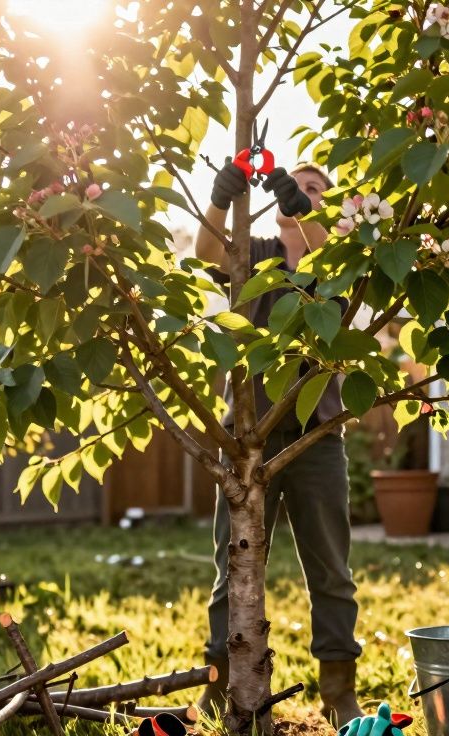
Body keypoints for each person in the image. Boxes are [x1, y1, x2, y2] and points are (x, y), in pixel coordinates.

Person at [193, 160, 363, 728]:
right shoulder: (256, 256)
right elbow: (206, 257)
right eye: (298, 188)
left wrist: (298, 205)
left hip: (318, 438)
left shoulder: (334, 269)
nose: (306, 195)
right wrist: (220, 198)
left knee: (331, 571)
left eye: (317, 191)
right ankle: (220, 684)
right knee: (232, 568)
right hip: (248, 444)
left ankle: (339, 691)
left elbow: (323, 256)